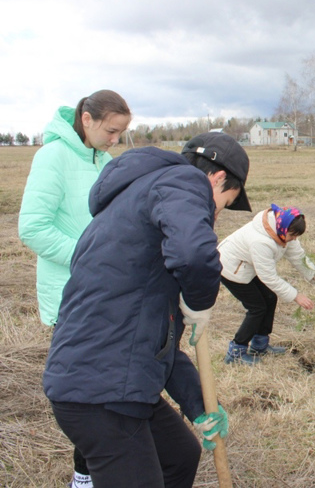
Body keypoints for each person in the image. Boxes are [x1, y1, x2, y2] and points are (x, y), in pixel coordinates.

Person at [43, 132, 251, 487]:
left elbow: (156, 342)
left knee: (180, 456)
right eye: (222, 204)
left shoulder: (136, 212)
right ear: (216, 179)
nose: (212, 215)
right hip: (101, 391)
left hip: (111, 378)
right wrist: (201, 302)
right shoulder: (183, 181)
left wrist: (199, 405)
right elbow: (194, 254)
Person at [18, 89, 131, 488]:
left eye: (121, 134)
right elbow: (32, 227)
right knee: (85, 393)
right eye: (112, 131)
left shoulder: (103, 160)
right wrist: (89, 256)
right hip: (71, 295)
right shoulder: (53, 157)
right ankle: (83, 477)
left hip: (105, 290)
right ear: (87, 119)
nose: (115, 140)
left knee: (105, 386)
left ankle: (95, 467)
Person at [218, 204, 315, 364]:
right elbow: (269, 277)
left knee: (270, 298)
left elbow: (297, 255)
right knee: (257, 307)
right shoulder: (261, 241)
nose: (294, 239)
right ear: (283, 229)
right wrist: (296, 296)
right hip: (230, 269)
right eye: (292, 236)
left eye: (296, 236)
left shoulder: (282, 229)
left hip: (247, 267)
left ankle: (259, 345)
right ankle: (236, 351)